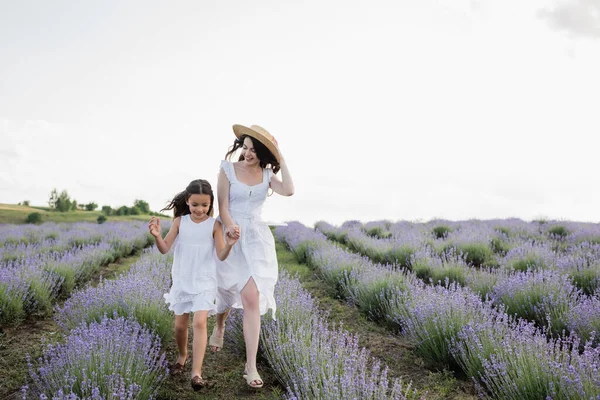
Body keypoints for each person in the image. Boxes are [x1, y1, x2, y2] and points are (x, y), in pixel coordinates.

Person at [210, 124, 295, 389]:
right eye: (244, 147)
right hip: (231, 233)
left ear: (263, 153)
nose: (247, 153)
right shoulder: (227, 170)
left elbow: (290, 190)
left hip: (256, 239)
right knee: (225, 290)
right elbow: (222, 207)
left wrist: (281, 157)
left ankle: (250, 366)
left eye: (253, 150)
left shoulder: (268, 174)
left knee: (251, 298)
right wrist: (231, 227)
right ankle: (220, 325)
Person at [148, 179, 239, 391]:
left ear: (210, 204)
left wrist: (230, 244)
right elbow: (164, 248)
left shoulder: (215, 225)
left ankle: (196, 373)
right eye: (195, 204)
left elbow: (221, 255)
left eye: (204, 205)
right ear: (188, 201)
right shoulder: (180, 222)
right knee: (180, 326)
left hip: (205, 280)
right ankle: (182, 355)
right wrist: (156, 236)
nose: (200, 209)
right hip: (183, 279)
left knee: (199, 322)